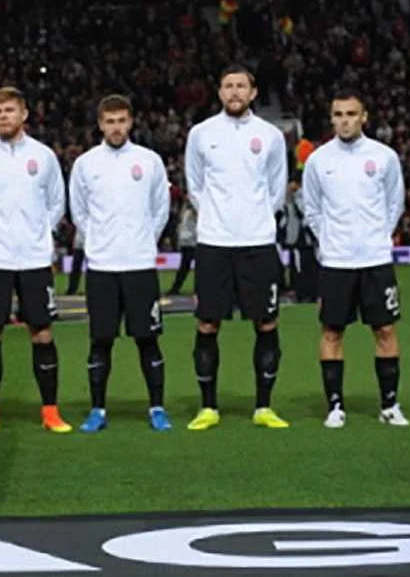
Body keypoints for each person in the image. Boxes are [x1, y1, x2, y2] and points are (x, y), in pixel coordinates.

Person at [183, 64, 289, 431]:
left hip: (258, 242)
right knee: (208, 323)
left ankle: (263, 406)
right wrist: (218, 217)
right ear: (219, 92)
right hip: (215, 242)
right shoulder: (201, 134)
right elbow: (195, 186)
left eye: (241, 86)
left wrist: (254, 219)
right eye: (228, 86)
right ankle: (208, 407)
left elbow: (277, 189)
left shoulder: (270, 136)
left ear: (253, 92)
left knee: (266, 322)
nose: (234, 92)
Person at [0, 86, 71, 435]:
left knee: (41, 332)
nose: (3, 116)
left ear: (24, 114)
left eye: (9, 110)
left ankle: (50, 411)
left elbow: (57, 203)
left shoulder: (43, 156)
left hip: (34, 259)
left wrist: (38, 235)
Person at [301, 90, 408, 428]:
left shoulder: (384, 156)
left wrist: (377, 238)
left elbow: (395, 203)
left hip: (376, 260)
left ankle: (389, 405)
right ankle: (335, 407)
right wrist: (330, 241)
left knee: (385, 330)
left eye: (351, 114)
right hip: (336, 261)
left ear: (364, 117)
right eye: (338, 114)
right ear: (331, 119)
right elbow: (312, 209)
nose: (344, 120)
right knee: (332, 331)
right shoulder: (318, 160)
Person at [67, 95, 172, 433]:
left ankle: (157, 408)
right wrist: (100, 242)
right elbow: (79, 212)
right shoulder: (86, 164)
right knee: (101, 340)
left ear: (131, 122)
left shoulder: (149, 161)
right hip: (102, 266)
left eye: (121, 121)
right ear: (100, 124)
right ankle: (97, 410)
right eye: (110, 121)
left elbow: (160, 210)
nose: (116, 127)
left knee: (148, 339)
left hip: (140, 265)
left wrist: (142, 241)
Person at [167, 203, 196, 296]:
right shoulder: (185, 209)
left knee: (185, 267)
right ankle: (175, 288)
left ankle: (176, 288)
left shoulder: (193, 209)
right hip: (186, 242)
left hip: (193, 242)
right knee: (184, 267)